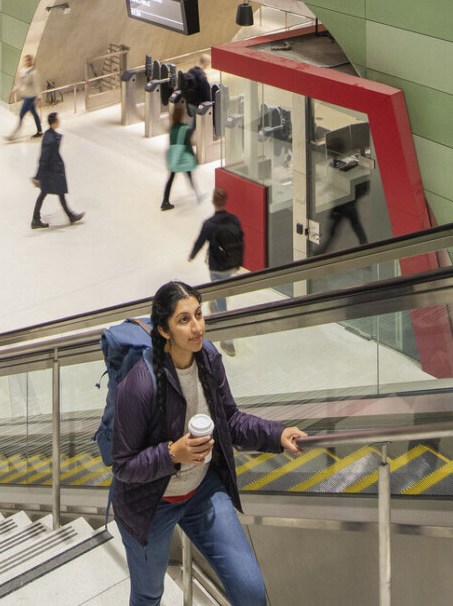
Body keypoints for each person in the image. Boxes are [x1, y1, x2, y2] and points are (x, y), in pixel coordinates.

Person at [111, 281, 306, 606]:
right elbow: (123, 466)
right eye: (184, 319)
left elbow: (228, 420)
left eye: (199, 315)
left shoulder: (210, 361)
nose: (197, 326)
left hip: (201, 491)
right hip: (150, 505)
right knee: (148, 596)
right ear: (164, 330)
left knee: (250, 590)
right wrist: (174, 453)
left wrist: (277, 435)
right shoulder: (139, 386)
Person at [189, 189, 245, 355]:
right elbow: (241, 241)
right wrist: (238, 262)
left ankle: (228, 342)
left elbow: (200, 241)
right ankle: (215, 300)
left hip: (216, 267)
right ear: (225, 201)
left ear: (213, 202)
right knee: (221, 290)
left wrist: (191, 255)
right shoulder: (234, 220)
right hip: (231, 265)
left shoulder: (209, 224)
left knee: (222, 302)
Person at [31, 112, 84, 228]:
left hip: (52, 171)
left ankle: (69, 215)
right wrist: (37, 176)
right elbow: (43, 159)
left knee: (55, 193)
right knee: (50, 193)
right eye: (58, 120)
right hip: (51, 172)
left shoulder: (49, 135)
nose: (59, 121)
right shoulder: (50, 140)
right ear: (54, 122)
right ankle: (36, 219)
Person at [160, 99, 200, 211]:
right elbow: (187, 144)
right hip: (183, 157)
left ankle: (165, 201)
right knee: (189, 175)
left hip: (174, 157)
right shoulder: (184, 128)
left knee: (171, 177)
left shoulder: (172, 128)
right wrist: (194, 157)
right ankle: (197, 195)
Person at [7, 54, 43, 141]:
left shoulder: (34, 72)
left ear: (31, 61)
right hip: (25, 95)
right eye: (25, 60)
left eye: (28, 60)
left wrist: (39, 98)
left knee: (21, 114)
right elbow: (20, 83)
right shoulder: (22, 70)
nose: (26, 62)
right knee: (34, 113)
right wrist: (13, 91)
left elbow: (37, 86)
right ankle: (40, 131)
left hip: (30, 97)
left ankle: (14, 134)